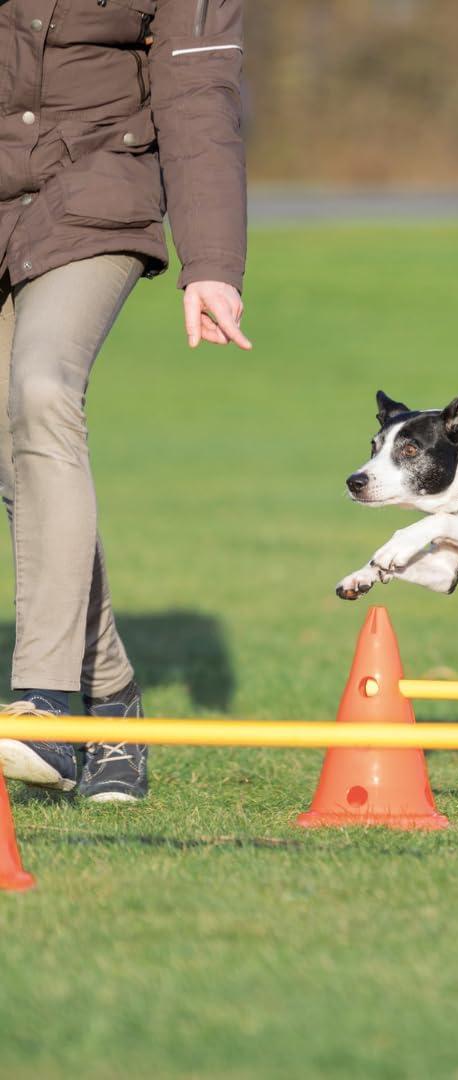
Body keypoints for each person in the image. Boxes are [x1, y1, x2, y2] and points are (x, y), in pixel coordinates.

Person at [0, 0, 251, 803]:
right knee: (17, 465)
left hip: (93, 194)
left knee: (43, 391)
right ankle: (112, 701)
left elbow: (196, 93)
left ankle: (43, 706)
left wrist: (210, 261)